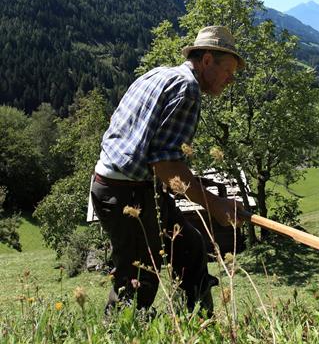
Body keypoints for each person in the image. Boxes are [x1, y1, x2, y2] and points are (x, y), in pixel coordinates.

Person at [91, 26, 245, 317]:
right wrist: (216, 205)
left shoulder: (157, 74)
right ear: (208, 60)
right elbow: (165, 166)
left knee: (189, 247)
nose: (231, 79)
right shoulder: (187, 89)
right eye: (228, 70)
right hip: (127, 194)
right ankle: (117, 334)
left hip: (124, 186)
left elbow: (122, 124)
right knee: (138, 281)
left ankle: (201, 326)